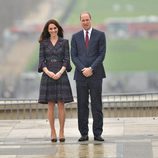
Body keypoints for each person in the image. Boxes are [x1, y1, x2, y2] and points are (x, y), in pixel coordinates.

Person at [71, 12, 106, 142]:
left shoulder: (100, 35)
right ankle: (84, 134)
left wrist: (91, 68)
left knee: (97, 105)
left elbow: (101, 55)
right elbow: (73, 56)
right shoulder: (75, 37)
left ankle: (97, 133)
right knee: (82, 105)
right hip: (80, 76)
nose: (85, 22)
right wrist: (82, 69)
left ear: (91, 20)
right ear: (80, 21)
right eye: (83, 20)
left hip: (96, 74)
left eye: (87, 20)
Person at [38, 19, 73, 142]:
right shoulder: (43, 43)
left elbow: (66, 59)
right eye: (50, 29)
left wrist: (59, 72)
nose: (53, 30)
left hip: (61, 75)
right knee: (51, 105)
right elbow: (41, 60)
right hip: (48, 75)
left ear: (58, 28)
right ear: (47, 30)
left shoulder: (64, 42)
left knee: (61, 105)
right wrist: (48, 72)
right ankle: (52, 132)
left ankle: (61, 131)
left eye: (55, 28)